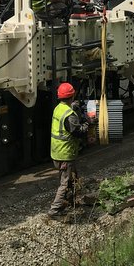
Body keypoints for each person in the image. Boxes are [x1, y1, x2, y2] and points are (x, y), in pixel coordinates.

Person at [48, 82, 88, 218]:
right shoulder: (69, 115)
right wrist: (88, 123)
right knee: (64, 183)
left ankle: (72, 200)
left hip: (56, 152)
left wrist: (73, 106)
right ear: (72, 95)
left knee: (74, 176)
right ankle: (54, 210)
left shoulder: (58, 108)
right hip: (65, 154)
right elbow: (77, 132)